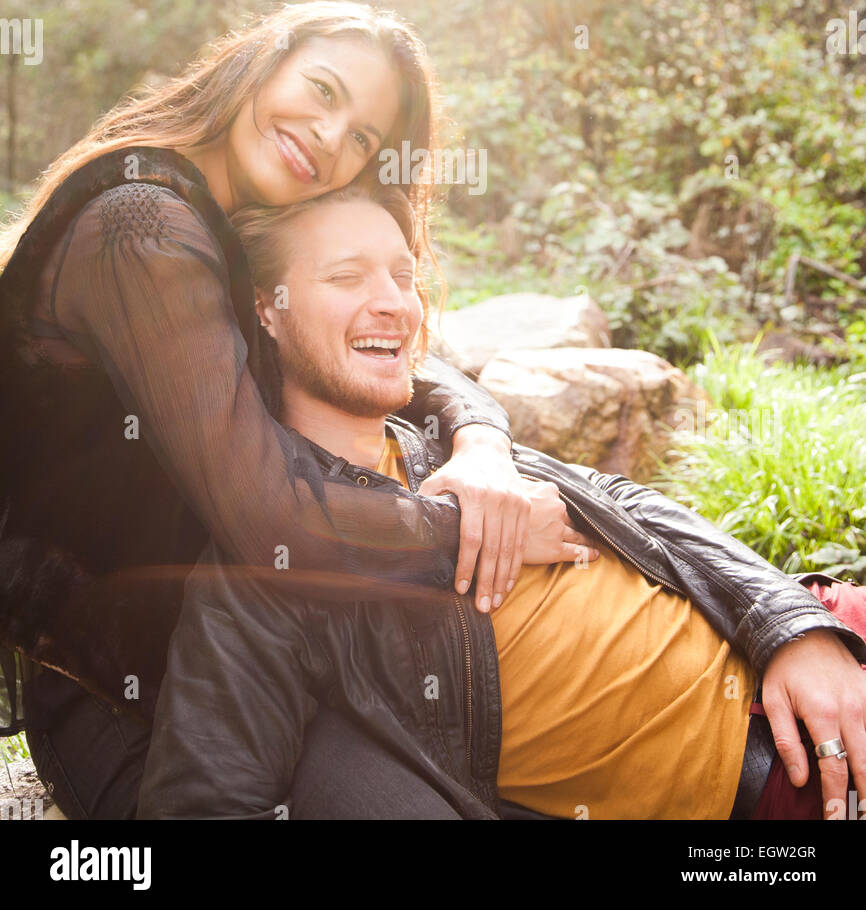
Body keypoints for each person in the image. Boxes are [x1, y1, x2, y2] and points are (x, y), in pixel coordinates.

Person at [0, 0, 574, 821]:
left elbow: (408, 358)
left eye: (364, 139)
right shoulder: (143, 225)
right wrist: (464, 532)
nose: (330, 137)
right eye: (323, 89)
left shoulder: (241, 217)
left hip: (279, 630)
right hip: (132, 693)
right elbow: (275, 520)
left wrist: (481, 440)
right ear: (265, 56)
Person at [136, 183, 866, 821]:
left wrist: (793, 625)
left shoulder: (443, 437)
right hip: (780, 767)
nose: (393, 302)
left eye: (402, 274)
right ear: (268, 308)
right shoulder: (264, 568)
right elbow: (202, 801)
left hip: (809, 630)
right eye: (346, 276)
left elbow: (626, 505)